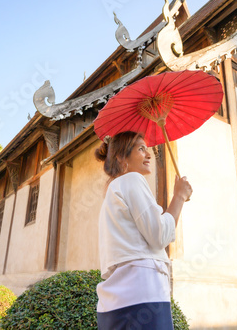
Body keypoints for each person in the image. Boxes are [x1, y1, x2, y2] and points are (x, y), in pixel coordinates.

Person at [94, 131, 192, 329]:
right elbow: (159, 235)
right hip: (143, 294)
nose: (148, 154)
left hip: (116, 302)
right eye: (141, 149)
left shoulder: (113, 191)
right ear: (121, 157)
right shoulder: (132, 180)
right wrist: (179, 197)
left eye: (147, 149)